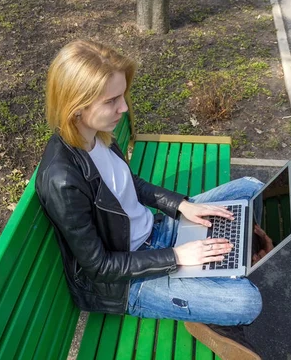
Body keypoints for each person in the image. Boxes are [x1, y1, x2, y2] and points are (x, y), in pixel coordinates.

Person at [36, 40, 272, 360]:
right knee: (247, 302)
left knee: (249, 188)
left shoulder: (96, 133)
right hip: (130, 281)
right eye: (112, 100)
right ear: (76, 106)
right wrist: (177, 256)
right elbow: (100, 266)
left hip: (158, 232)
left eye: (123, 96)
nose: (124, 108)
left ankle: (223, 264)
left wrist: (181, 205)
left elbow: (129, 183)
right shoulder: (62, 180)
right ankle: (208, 304)